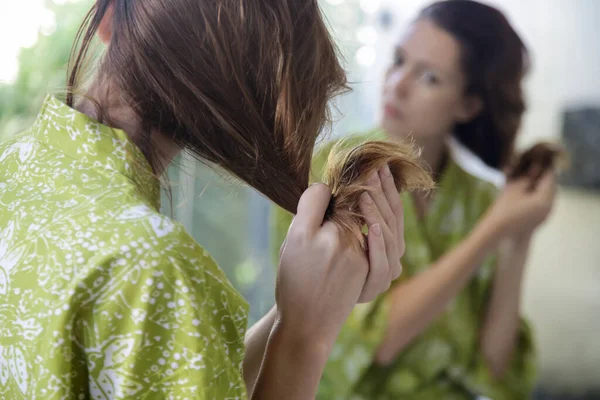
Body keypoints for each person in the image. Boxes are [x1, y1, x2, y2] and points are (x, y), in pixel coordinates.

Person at [0, 1, 415, 398]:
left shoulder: (15, 165)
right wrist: (305, 337)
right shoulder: (152, 265)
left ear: (109, 17)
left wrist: (302, 307)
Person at [272, 1, 557, 398]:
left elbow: (494, 366)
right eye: (399, 59)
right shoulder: (329, 175)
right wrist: (492, 232)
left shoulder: (482, 200)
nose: (397, 83)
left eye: (428, 77)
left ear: (469, 104)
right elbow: (376, 340)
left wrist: (517, 236)